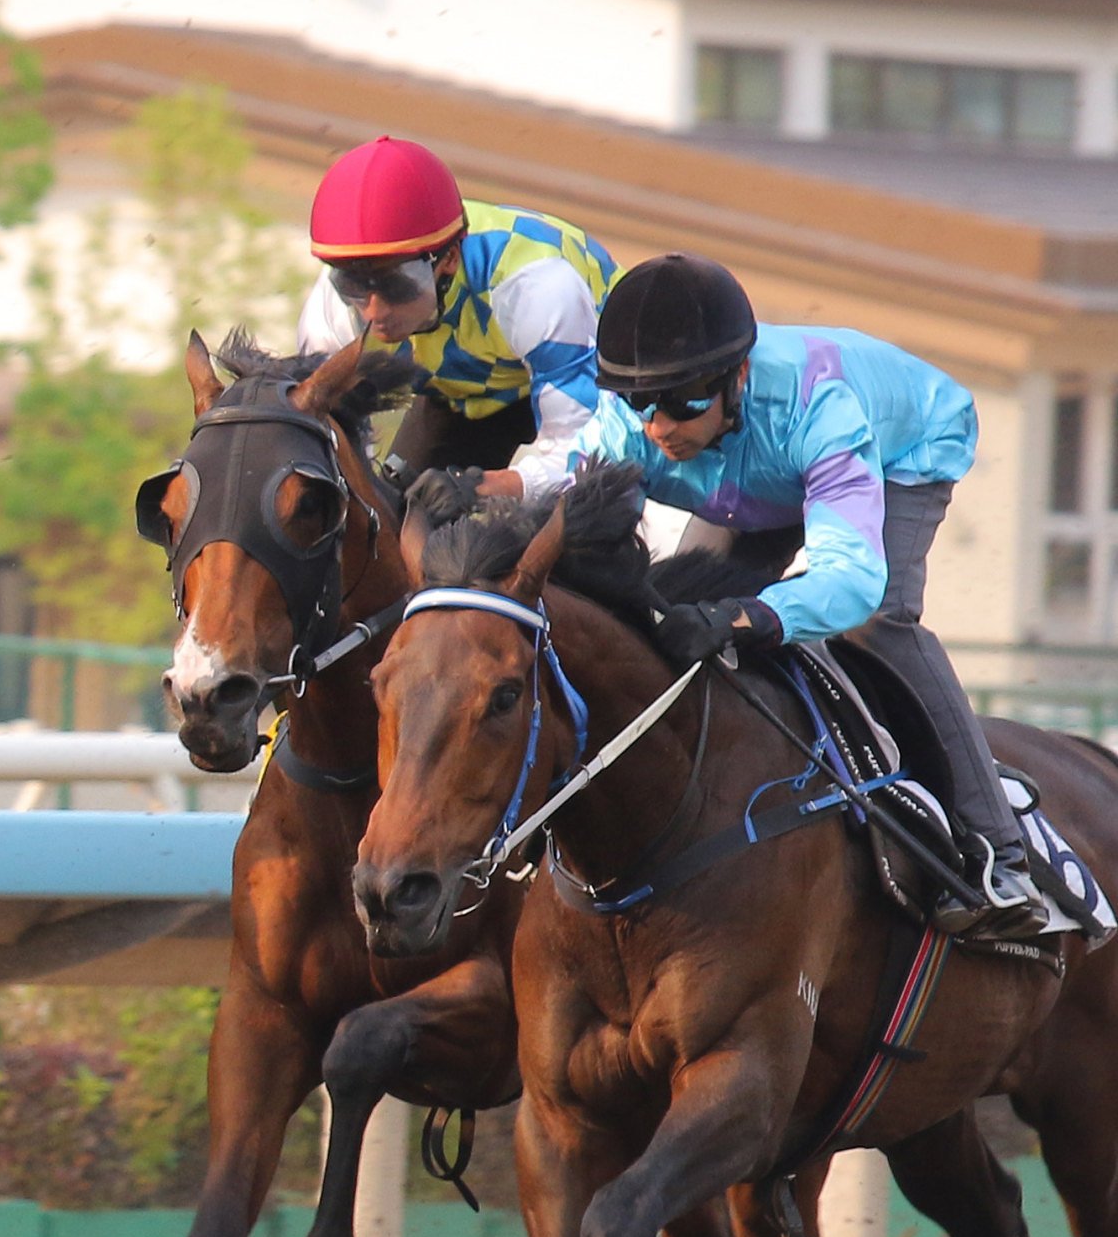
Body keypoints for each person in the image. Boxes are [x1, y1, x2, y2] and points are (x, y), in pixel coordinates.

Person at [490, 252, 1047, 936]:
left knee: (876, 620)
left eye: (683, 400)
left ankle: (997, 850)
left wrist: (747, 615)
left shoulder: (821, 409)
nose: (659, 425)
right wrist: (486, 504)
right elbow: (572, 496)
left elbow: (850, 579)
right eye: (640, 402)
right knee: (668, 616)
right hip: (754, 481)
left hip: (902, 449)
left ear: (738, 375)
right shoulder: (633, 418)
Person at [295, 136, 617, 479]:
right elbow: (332, 454)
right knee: (400, 506)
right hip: (468, 393)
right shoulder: (332, 314)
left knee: (567, 513)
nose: (373, 312)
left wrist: (500, 489)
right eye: (353, 285)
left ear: (448, 258)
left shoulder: (536, 288)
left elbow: (583, 457)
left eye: (395, 284)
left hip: (607, 383)